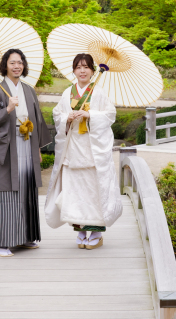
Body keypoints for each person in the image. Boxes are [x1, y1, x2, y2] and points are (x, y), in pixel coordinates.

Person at [44, 53, 122, 249]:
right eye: (78, 67)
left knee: (94, 191)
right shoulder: (66, 93)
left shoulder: (99, 92)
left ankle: (96, 231)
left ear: (93, 71)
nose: (82, 70)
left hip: (92, 150)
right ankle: (80, 230)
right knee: (75, 191)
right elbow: (57, 114)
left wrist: (90, 115)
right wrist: (67, 118)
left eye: (86, 67)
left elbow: (110, 115)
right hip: (73, 150)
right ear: (73, 71)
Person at [0, 48, 51, 257]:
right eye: (12, 63)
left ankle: (25, 237)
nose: (17, 66)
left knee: (27, 187)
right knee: (6, 191)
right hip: (7, 146)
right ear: (5, 65)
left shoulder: (28, 90)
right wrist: (8, 110)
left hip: (27, 142)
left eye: (20, 62)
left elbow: (36, 121)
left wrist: (37, 147)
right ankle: (1, 242)